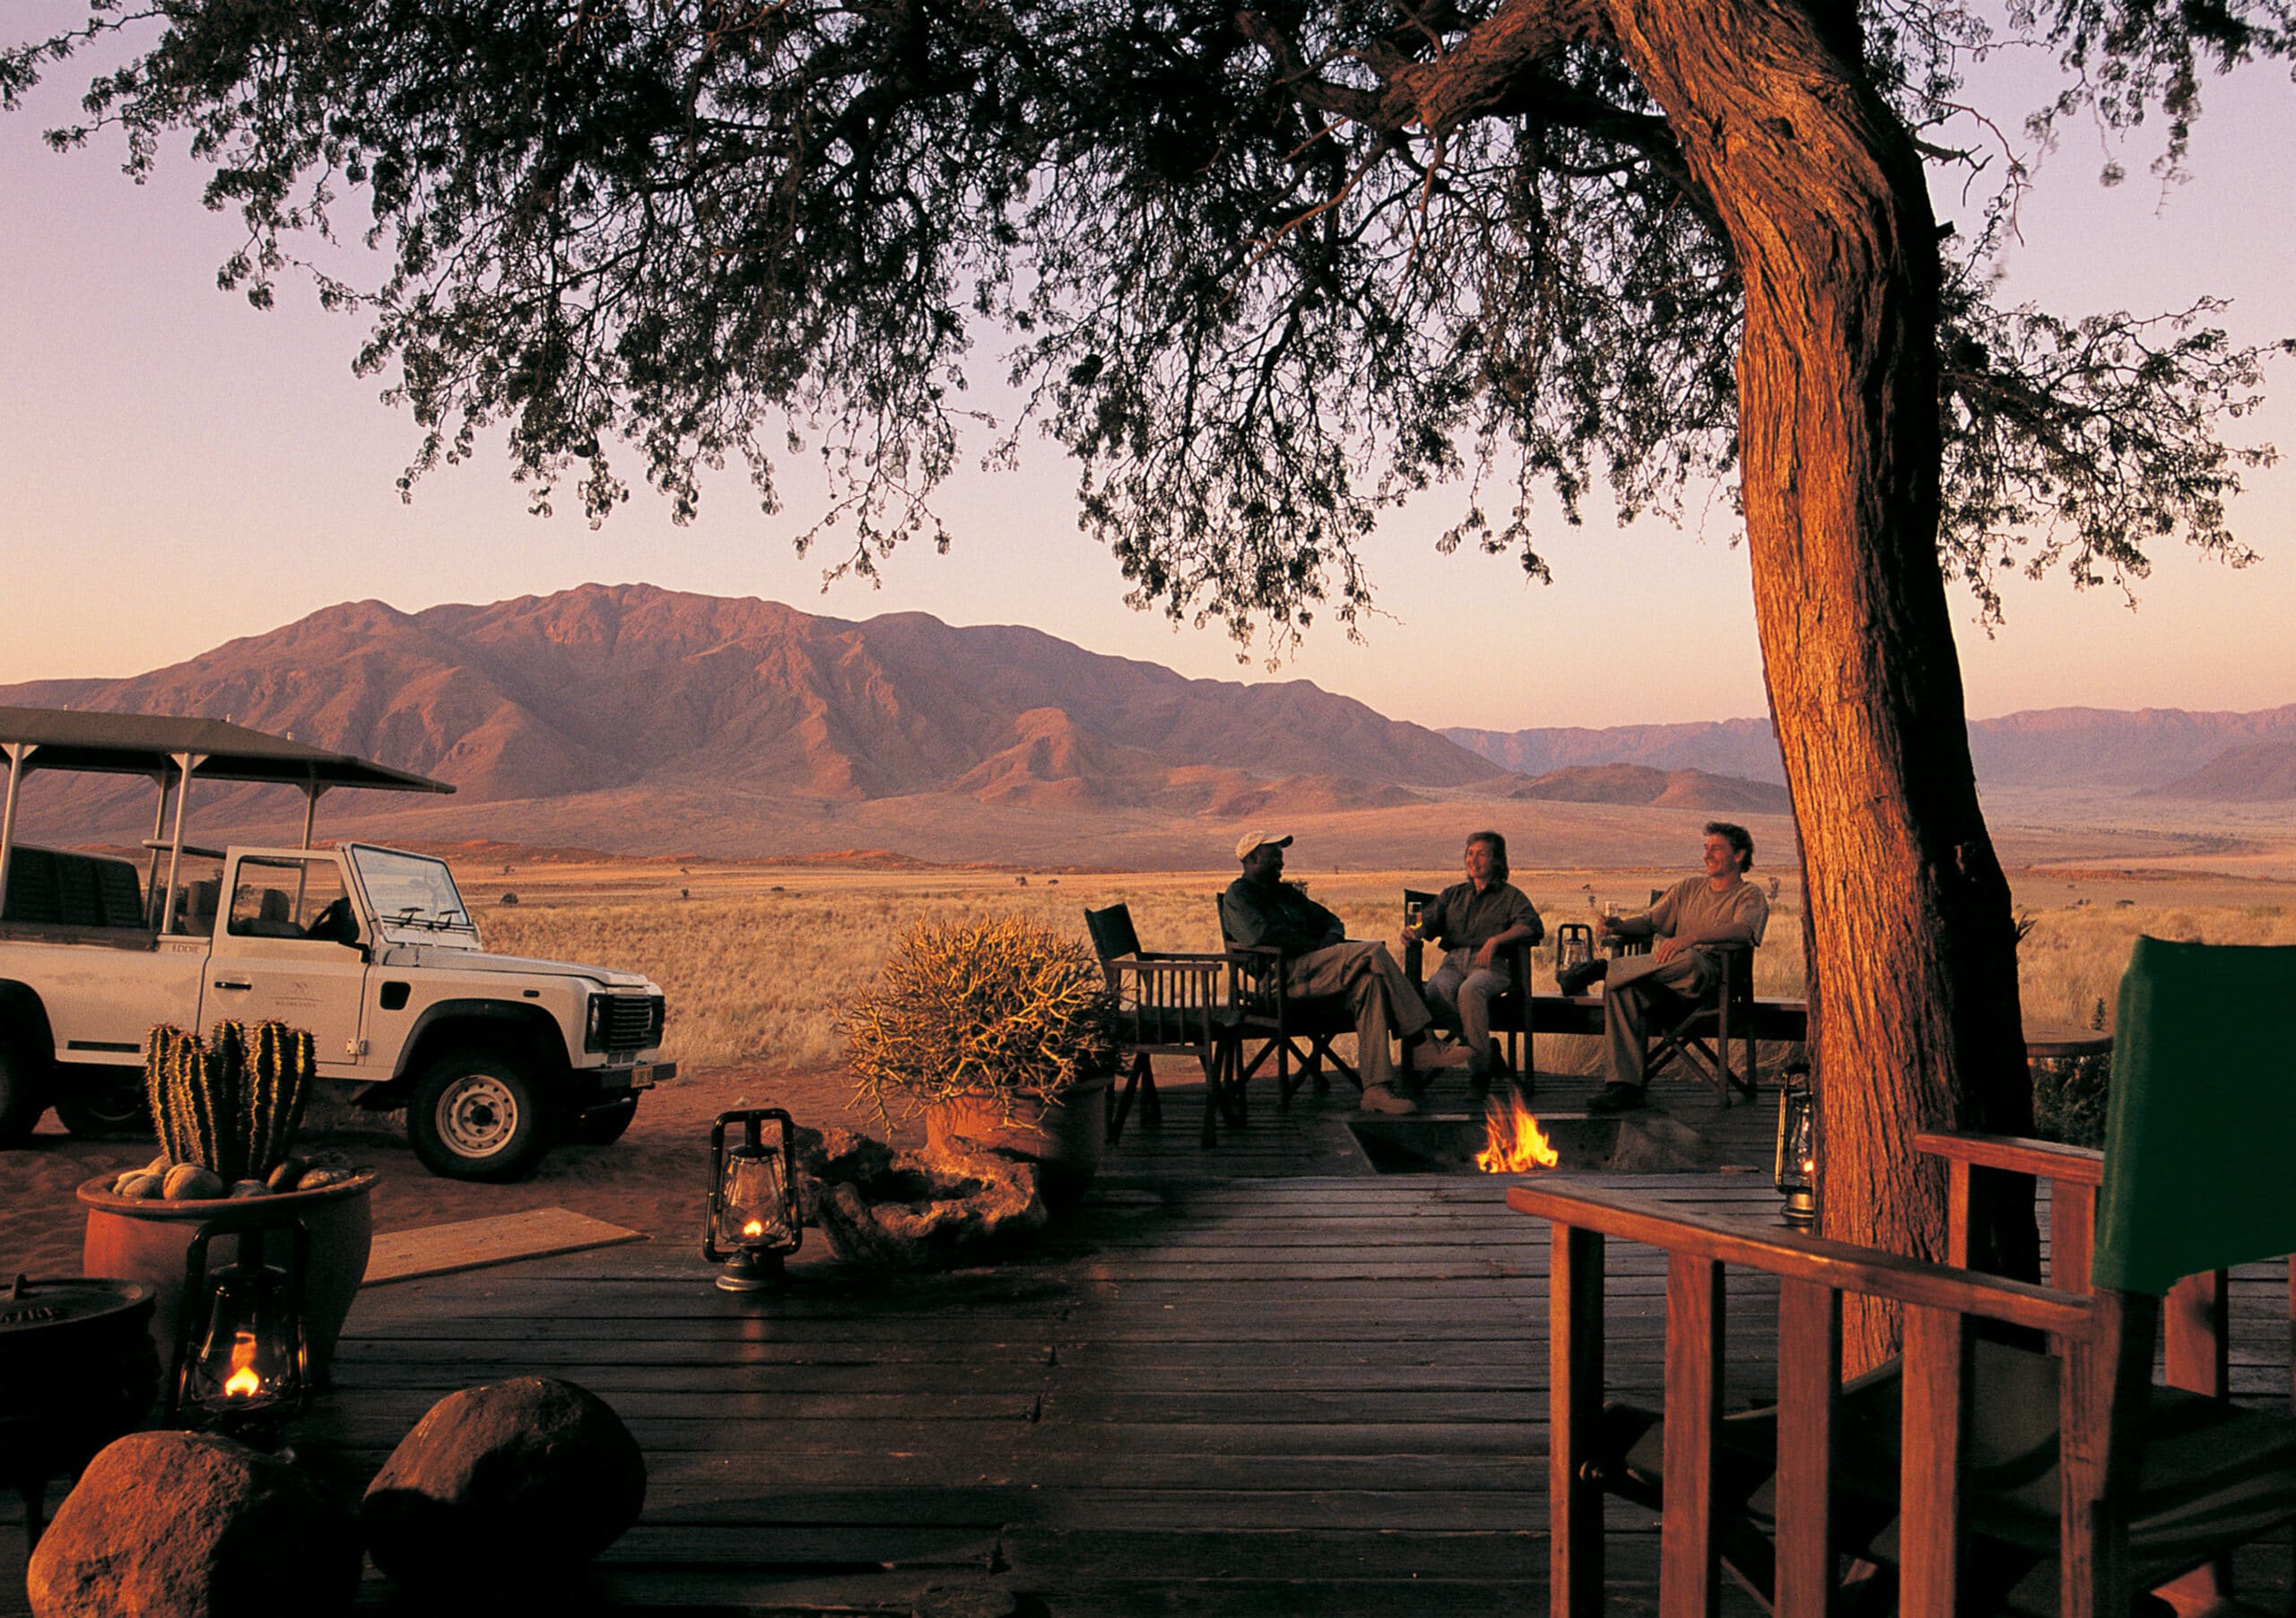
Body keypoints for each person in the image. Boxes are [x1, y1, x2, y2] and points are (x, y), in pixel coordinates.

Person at [1558, 822, 1769, 1113]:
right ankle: (1625, 1087)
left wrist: (1692, 938)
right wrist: (1619, 926)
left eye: (1716, 848)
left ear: (1739, 856)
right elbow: (1650, 922)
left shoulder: (1749, 895)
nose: (1707, 855)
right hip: (1664, 984)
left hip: (1711, 985)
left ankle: (1602, 969)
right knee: (1622, 989)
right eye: (1705, 848)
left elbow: (1744, 931)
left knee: (1691, 958)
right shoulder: (1688, 888)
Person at [1221, 831, 1432, 1116]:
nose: (1281, 861)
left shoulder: (1286, 894)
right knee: (1373, 952)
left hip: (1314, 972)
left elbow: (1330, 920)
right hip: (1279, 978)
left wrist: (1330, 936)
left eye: (1281, 855)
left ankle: (1376, 1090)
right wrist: (1314, 945)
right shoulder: (1239, 895)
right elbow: (1261, 935)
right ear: (1252, 858)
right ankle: (1421, 1040)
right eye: (1274, 855)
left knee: (1370, 983)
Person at [1401, 831, 1544, 1093]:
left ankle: (1479, 1074)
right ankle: (1487, 1053)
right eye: (1469, 853)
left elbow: (1532, 926)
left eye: (1481, 854)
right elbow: (1428, 921)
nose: (1472, 859)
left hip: (1492, 964)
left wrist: (1496, 940)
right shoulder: (1453, 894)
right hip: (1454, 962)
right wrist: (1415, 931)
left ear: (1497, 861)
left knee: (1470, 991)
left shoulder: (1511, 896)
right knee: (1435, 990)